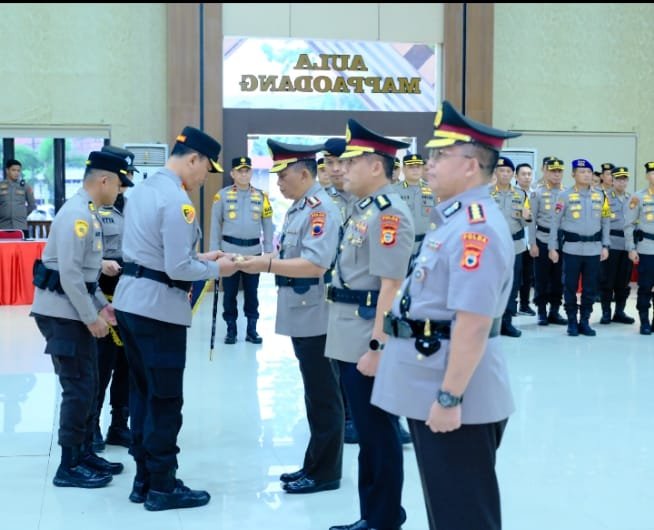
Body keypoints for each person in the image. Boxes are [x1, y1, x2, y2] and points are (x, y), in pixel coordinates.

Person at [371, 99, 518, 530]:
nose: (429, 164)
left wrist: (450, 398)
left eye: (440, 155)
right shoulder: (453, 220)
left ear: (470, 165)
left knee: (463, 515)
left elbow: (473, 323)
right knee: (448, 508)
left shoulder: (476, 228)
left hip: (456, 393)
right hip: (432, 379)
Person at [112, 126, 237, 511]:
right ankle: (163, 486)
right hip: (158, 311)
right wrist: (219, 270)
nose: (204, 178)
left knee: (141, 393)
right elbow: (177, 268)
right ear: (193, 159)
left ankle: (143, 479)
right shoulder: (178, 201)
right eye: (206, 169)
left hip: (130, 302)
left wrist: (201, 258)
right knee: (165, 399)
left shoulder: (142, 191)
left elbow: (153, 253)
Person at [235, 139, 344, 495]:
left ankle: (325, 473)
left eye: (283, 175)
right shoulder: (299, 208)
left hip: (316, 313)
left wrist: (264, 264)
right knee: (314, 394)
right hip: (302, 311)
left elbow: (315, 264)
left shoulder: (319, 210)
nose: (278, 182)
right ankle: (314, 464)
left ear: (303, 174)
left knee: (324, 396)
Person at [325, 119, 414, 530]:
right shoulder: (363, 210)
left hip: (367, 339)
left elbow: (390, 287)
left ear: (376, 166)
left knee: (379, 434)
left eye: (352, 162)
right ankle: (374, 515)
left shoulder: (388, 214)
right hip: (352, 334)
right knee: (368, 433)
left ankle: (384, 519)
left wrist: (378, 348)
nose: (342, 169)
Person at [30, 151, 132, 488]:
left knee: (88, 385)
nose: (119, 190)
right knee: (78, 389)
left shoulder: (88, 213)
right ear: (104, 180)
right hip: (63, 315)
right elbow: (70, 275)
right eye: (118, 184)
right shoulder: (78, 215)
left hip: (74, 310)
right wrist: (91, 317)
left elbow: (88, 277)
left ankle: (85, 452)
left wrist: (103, 306)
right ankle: (69, 465)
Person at [91, 145, 138, 453]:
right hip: (102, 297)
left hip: (130, 296)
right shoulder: (92, 208)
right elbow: (78, 255)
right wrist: (100, 263)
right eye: (123, 176)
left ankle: (119, 425)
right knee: (101, 365)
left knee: (127, 365)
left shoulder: (134, 208)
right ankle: (91, 425)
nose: (125, 183)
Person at [209, 156, 274, 344]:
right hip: (229, 252)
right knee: (229, 293)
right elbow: (215, 225)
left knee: (252, 293)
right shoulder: (221, 196)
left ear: (251, 172)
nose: (244, 174)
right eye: (240, 171)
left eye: (247, 171)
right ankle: (231, 330)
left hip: (253, 252)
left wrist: (269, 250)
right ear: (232, 173)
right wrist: (215, 251)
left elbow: (267, 224)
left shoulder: (262, 196)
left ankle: (252, 330)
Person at [548, 159, 611, 336]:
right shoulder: (564, 196)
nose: (586, 175)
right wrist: (552, 247)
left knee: (590, 288)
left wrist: (605, 245)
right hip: (572, 249)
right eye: (582, 172)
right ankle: (571, 321)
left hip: (594, 249)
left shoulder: (601, 196)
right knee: (569, 286)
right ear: (573, 174)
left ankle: (584, 321)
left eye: (589, 172)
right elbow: (555, 222)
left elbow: (606, 222)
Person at [490, 156, 530, 337]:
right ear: (495, 173)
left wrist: (527, 217)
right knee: (492, 285)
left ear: (513, 174)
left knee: (512, 286)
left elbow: (526, 222)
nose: (505, 174)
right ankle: (491, 324)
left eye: (508, 171)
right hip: (492, 247)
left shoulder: (521, 195)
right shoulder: (486, 194)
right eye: (501, 170)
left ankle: (507, 322)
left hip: (515, 246)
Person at [528, 157, 567, 326]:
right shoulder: (537, 193)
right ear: (546, 172)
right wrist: (532, 243)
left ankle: (554, 311)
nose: (556, 174)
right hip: (542, 240)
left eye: (559, 171)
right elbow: (532, 221)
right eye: (553, 171)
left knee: (559, 279)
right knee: (542, 278)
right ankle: (542, 311)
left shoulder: (568, 193)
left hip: (562, 242)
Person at [599, 166, 634, 325]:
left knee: (623, 282)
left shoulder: (632, 199)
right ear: (612, 180)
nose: (621, 182)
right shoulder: (605, 197)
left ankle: (619, 312)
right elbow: (602, 223)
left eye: (624, 179)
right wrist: (604, 245)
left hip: (627, 245)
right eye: (618, 179)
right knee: (607, 280)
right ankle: (606, 312)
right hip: (611, 245)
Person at [624, 161, 654, 334]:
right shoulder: (638, 197)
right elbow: (628, 225)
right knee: (645, 287)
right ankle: (644, 321)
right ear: (647, 176)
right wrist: (631, 248)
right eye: (653, 173)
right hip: (647, 248)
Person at [394, 153, 436, 263]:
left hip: (425, 245)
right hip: (401, 245)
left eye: (418, 167)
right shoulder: (394, 191)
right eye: (411, 167)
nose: (415, 170)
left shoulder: (432, 190)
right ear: (403, 169)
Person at [515, 162, 536, 315]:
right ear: (516, 176)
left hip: (531, 242)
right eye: (523, 174)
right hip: (516, 241)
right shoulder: (512, 194)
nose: (527, 177)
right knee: (514, 275)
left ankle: (524, 304)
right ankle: (511, 304)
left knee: (528, 275)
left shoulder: (535, 194)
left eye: (529, 174)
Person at [0, 158, 36, 237]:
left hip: (21, 226)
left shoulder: (25, 186)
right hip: (3, 226)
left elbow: (32, 205)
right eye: (13, 170)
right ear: (7, 170)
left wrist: (22, 213)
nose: (16, 173)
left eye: (18, 170)